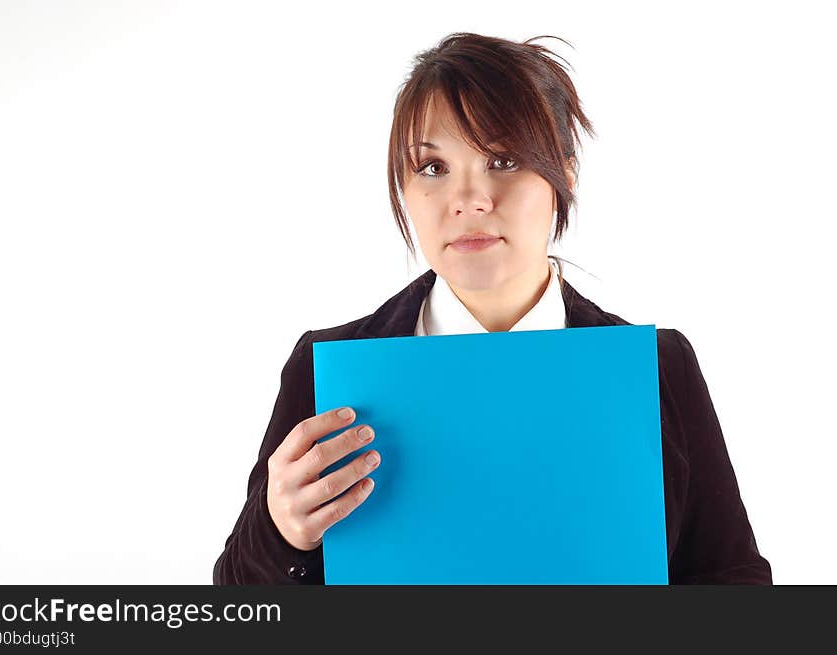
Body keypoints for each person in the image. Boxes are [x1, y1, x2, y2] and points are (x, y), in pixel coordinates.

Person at [213, 32, 772, 585]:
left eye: (503, 159)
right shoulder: (327, 366)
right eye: (433, 167)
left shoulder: (659, 367)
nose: (470, 199)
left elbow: (734, 579)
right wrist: (279, 532)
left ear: (565, 172)